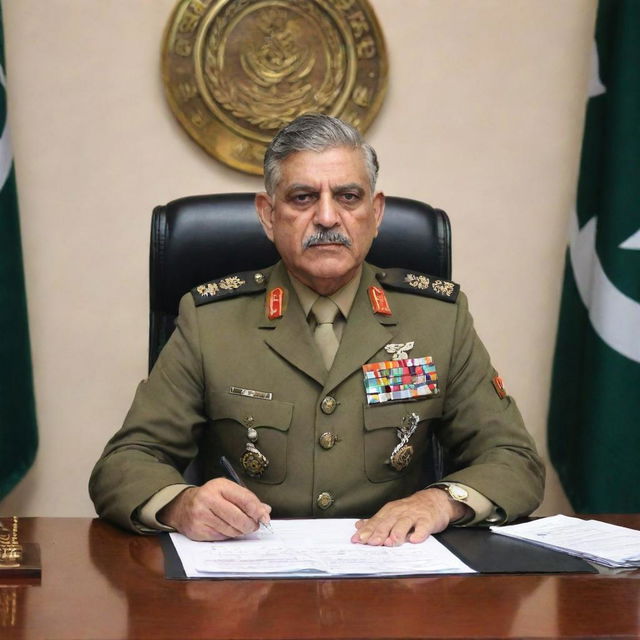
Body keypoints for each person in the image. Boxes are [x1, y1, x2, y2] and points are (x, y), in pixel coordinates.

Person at [89, 114, 544, 546]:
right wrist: (182, 504)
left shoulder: (438, 320)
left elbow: (514, 460)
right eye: (303, 197)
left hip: (392, 575)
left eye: (348, 197)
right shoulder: (210, 321)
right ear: (268, 215)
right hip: (248, 585)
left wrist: (441, 501)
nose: (327, 218)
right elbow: (124, 464)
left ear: (376, 212)